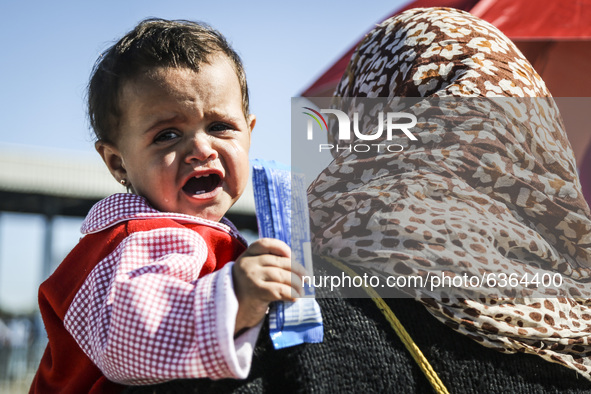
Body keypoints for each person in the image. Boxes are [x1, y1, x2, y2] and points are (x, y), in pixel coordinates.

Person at [29, 18, 305, 394]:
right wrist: (235, 299)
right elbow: (132, 340)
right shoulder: (133, 241)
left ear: (250, 132)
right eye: (167, 135)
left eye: (221, 126)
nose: (202, 149)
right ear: (118, 163)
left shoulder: (200, 236)